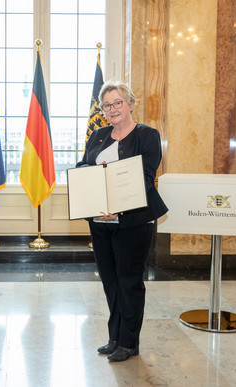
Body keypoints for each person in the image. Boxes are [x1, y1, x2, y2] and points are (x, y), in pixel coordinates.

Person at [76, 80, 168, 362]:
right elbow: (84, 164)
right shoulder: (98, 135)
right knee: (110, 281)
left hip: (134, 221)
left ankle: (129, 342)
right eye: (107, 105)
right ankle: (114, 337)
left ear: (130, 104)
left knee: (129, 282)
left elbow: (144, 176)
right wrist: (84, 179)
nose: (112, 109)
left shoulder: (147, 135)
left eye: (118, 103)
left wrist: (119, 206)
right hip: (101, 222)